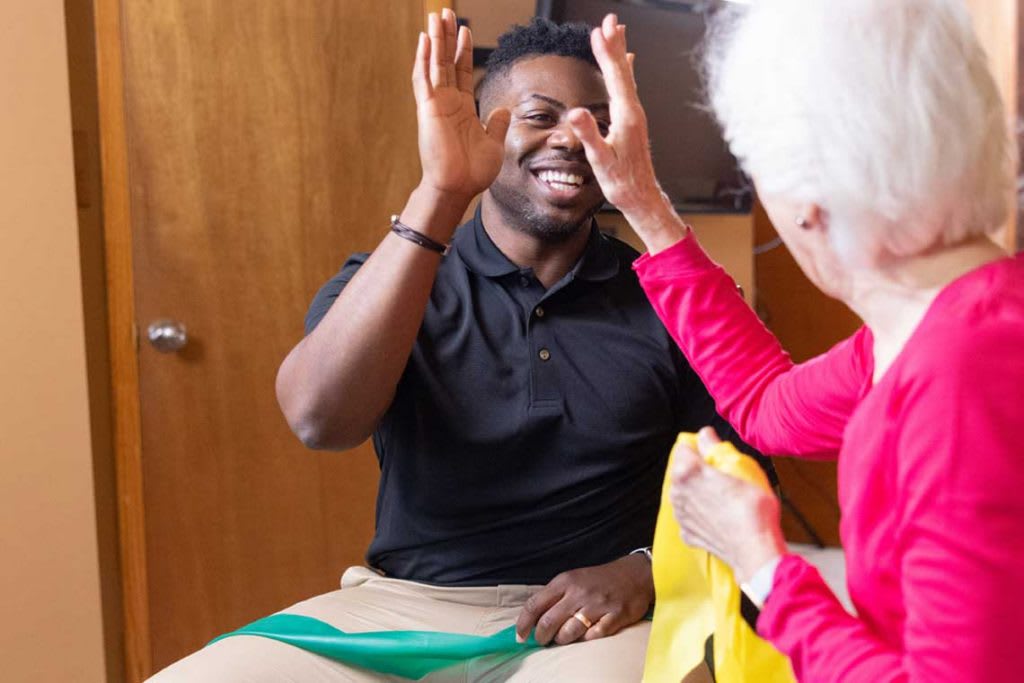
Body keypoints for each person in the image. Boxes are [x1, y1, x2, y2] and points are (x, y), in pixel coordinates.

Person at [150, 11, 764, 682]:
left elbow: (749, 473)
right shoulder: (386, 283)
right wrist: (441, 190)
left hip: (588, 619)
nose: (571, 137)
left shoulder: (669, 298)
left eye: (595, 119)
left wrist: (644, 570)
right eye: (540, 115)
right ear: (481, 128)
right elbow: (318, 420)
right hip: (400, 610)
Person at [564, 3, 1024, 681]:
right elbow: (766, 403)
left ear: (809, 207)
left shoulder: (962, 377)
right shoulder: (928, 324)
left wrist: (762, 566)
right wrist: (646, 207)